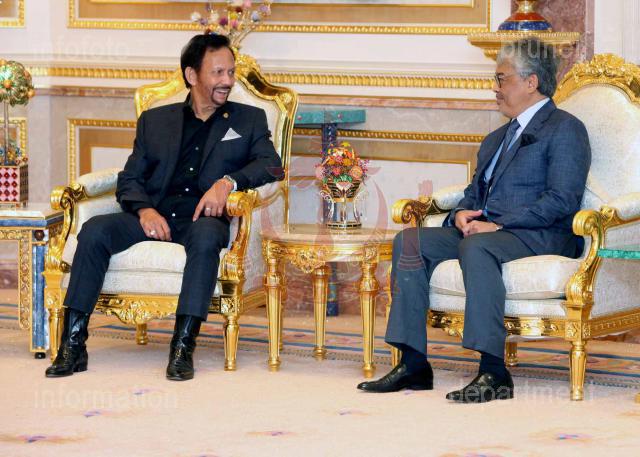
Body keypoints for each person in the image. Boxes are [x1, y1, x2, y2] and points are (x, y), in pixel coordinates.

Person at [357, 38, 591, 402]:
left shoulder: (565, 129)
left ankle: (494, 371)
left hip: (539, 234)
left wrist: (500, 225)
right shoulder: (497, 137)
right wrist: (460, 213)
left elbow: (562, 199)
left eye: (501, 79)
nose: (494, 88)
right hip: (488, 233)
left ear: (531, 82)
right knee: (410, 241)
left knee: (478, 247)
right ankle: (414, 364)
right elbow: (474, 193)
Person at [45, 33, 283, 381]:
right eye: (218, 72)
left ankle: (182, 347)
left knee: (207, 239)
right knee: (95, 231)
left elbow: (272, 166)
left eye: (230, 72)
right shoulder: (155, 120)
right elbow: (129, 179)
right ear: (192, 75)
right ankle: (73, 345)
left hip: (202, 218)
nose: (227, 81)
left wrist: (228, 183)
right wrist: (145, 211)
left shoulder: (248, 119)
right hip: (154, 214)